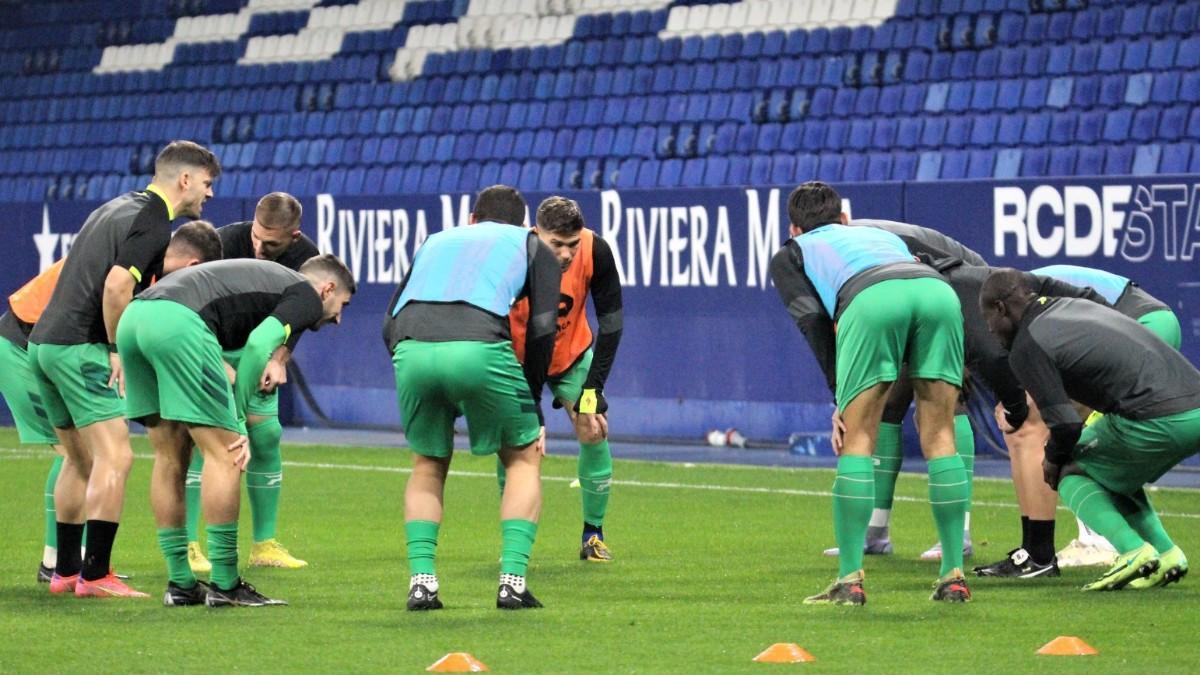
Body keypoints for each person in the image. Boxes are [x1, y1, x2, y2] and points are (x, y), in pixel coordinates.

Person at [28, 140, 219, 598]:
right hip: (81, 346)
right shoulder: (154, 221)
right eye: (208, 184)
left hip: (44, 345)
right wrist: (117, 349)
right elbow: (116, 288)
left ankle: (66, 572)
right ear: (185, 179)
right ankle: (95, 576)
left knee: (80, 461)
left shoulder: (115, 206)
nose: (209, 195)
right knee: (117, 457)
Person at [769, 182, 970, 605]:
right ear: (843, 218)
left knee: (858, 439)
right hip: (936, 293)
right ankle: (953, 575)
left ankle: (849, 581)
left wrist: (839, 398)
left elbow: (814, 324)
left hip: (871, 296)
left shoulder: (792, 253)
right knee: (941, 436)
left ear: (794, 228)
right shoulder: (880, 234)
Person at [118, 254, 354, 607]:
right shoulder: (306, 294)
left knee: (169, 458)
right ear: (328, 289)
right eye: (342, 305)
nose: (338, 318)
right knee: (227, 455)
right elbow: (260, 344)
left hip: (135, 318)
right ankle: (226, 585)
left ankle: (181, 583)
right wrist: (240, 418)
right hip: (177, 323)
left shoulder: (268, 282)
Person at [383, 185, 560, 611]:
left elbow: (389, 321)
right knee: (521, 457)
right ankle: (512, 583)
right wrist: (533, 405)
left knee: (427, 464)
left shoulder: (435, 241)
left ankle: (422, 583)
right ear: (523, 224)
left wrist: (415, 360)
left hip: (410, 347)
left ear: (473, 219)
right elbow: (542, 327)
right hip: (480, 346)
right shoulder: (532, 245)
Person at [980, 269, 1196, 590]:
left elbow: (1066, 425)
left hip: (1155, 416)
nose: (989, 329)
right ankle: (1168, 554)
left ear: (1001, 308)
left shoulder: (1027, 345)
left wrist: (1052, 459)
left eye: (988, 319)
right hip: (1194, 404)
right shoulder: (1070, 306)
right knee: (1109, 469)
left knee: (1069, 468)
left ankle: (1133, 551)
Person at [821, 219, 987, 562]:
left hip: (955, 297)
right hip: (909, 302)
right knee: (884, 401)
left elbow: (975, 276)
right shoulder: (835, 252)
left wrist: (967, 341)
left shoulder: (880, 241)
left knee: (947, 405)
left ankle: (960, 534)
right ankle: (874, 530)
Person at [184, 192, 320, 573]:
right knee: (202, 442)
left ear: (294, 236)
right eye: (257, 237)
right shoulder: (224, 242)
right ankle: (190, 546)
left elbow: (300, 314)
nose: (259, 247)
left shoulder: (305, 258)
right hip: (209, 345)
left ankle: (264, 545)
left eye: (271, 243)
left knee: (267, 435)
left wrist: (279, 359)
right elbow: (189, 302)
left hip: (255, 349)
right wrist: (211, 359)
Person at [505, 196, 623, 562]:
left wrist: (594, 388)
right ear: (536, 233)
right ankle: (513, 540)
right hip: (518, 358)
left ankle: (593, 534)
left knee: (593, 427)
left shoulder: (596, 249)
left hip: (571, 356)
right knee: (515, 443)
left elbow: (612, 322)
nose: (568, 254)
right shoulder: (512, 255)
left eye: (572, 244)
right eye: (557, 245)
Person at [0, 260, 68, 583]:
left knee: (82, 453)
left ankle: (65, 560)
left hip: (30, 346)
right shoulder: (119, 265)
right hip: (18, 349)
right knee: (75, 454)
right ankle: (58, 561)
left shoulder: (115, 256)